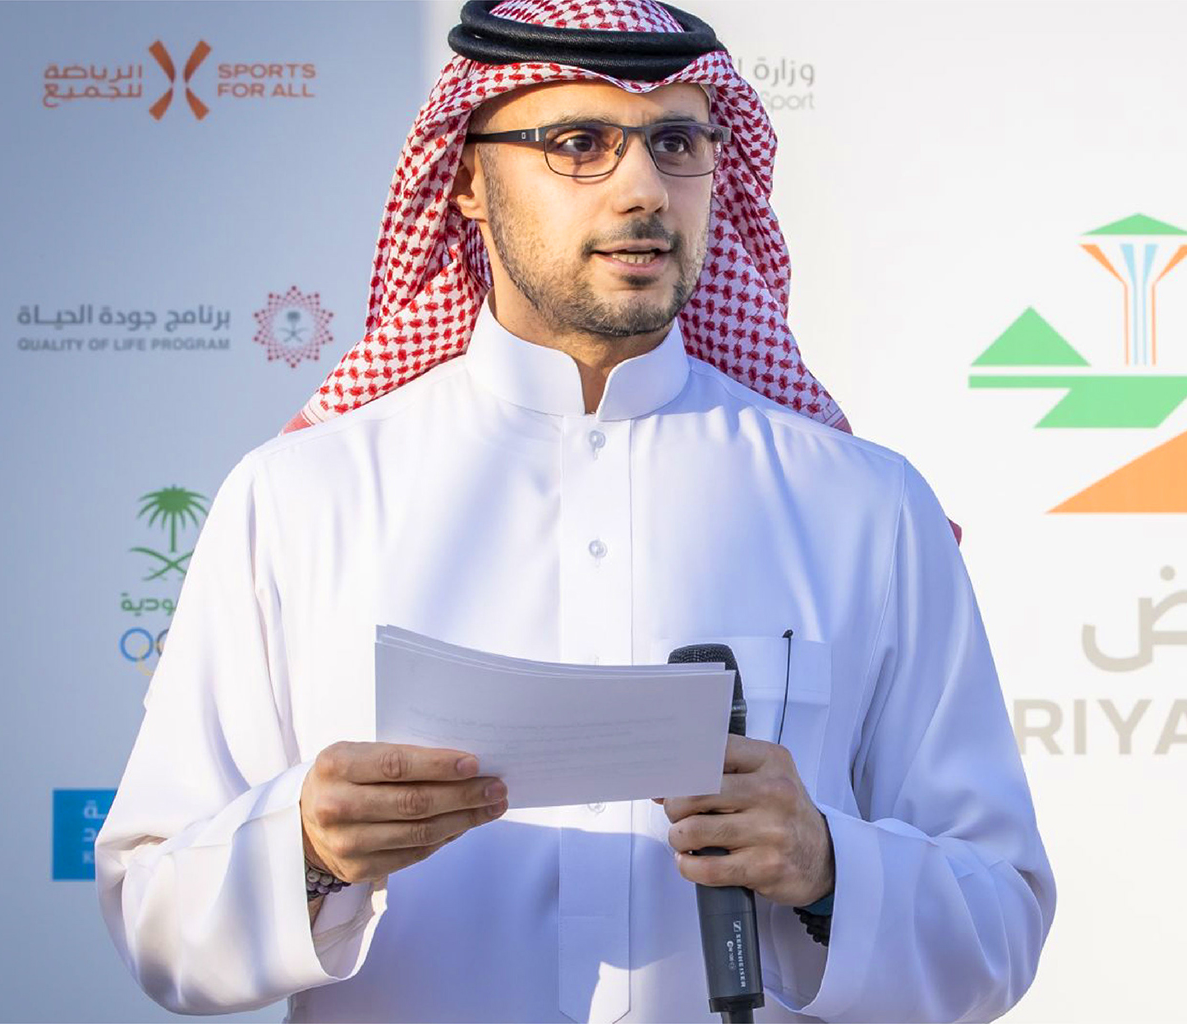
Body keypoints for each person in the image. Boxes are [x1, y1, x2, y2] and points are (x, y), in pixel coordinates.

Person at [92, 2, 1055, 1020]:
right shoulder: (301, 498)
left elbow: (998, 919)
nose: (643, 189)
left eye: (676, 143)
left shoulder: (862, 505)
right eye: (579, 143)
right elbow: (157, 913)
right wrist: (305, 848)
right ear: (465, 178)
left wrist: (826, 867)